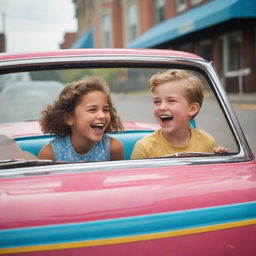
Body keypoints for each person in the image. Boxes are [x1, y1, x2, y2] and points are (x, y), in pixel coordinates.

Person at [131, 69, 228, 159]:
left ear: (192, 109)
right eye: (157, 102)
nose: (162, 107)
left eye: (171, 101)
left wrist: (221, 160)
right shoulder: (144, 148)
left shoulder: (207, 142)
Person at [38, 76, 124, 162]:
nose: (102, 115)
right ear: (69, 118)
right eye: (92, 110)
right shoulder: (50, 153)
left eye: (105, 110)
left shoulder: (113, 148)